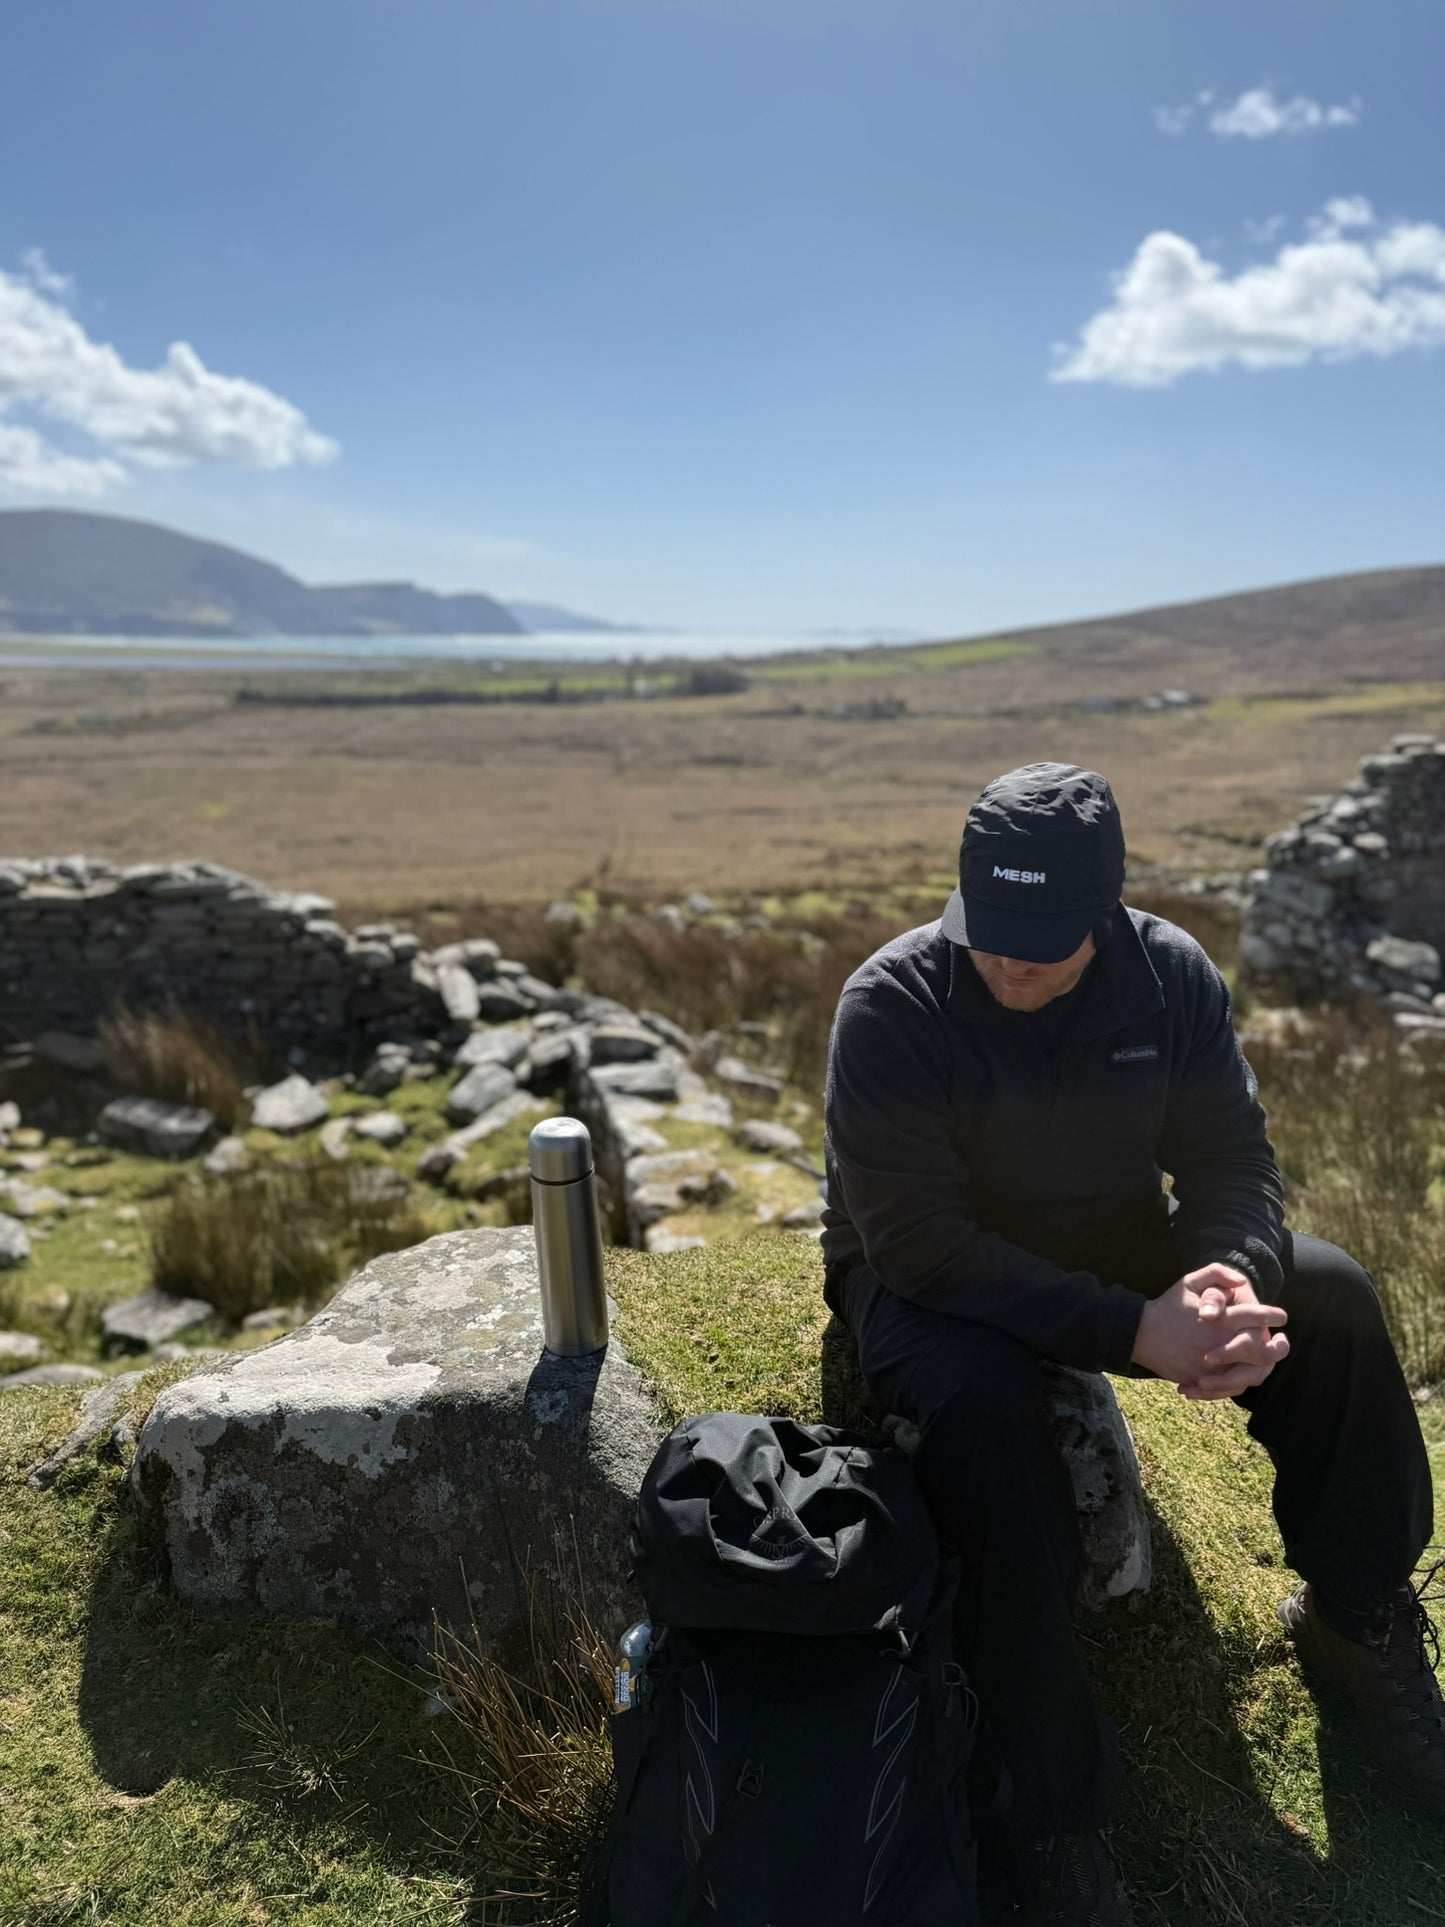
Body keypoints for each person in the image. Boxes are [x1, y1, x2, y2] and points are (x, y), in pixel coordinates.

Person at [821, 761, 1439, 1927]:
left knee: (1335, 1297)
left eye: (1045, 937)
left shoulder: (1167, 978)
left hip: (1110, 1234)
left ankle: (1357, 1625)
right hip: (927, 1276)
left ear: (1107, 911)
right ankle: (1044, 1813)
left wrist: (1224, 1277)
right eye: (990, 927)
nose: (1011, 958)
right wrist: (1130, 1330)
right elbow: (913, 1243)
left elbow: (1229, 1160)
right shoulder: (891, 1002)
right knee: (987, 1417)